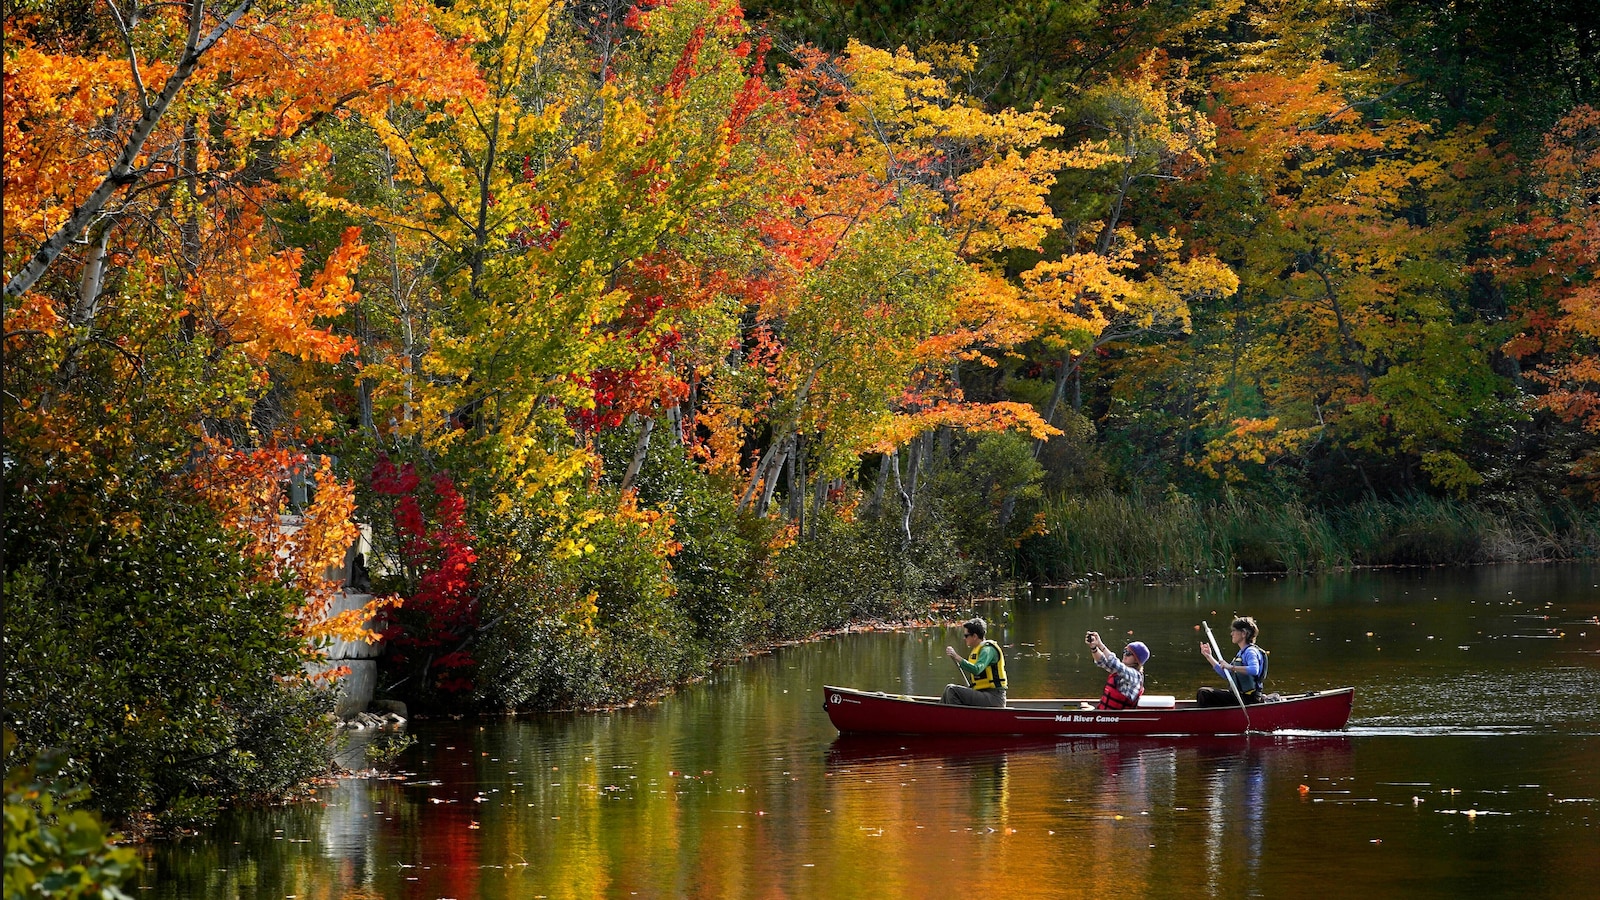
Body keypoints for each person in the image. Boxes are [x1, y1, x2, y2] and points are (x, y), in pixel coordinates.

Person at [1197, 615, 1268, 707]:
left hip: (1249, 698)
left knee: (1204, 693)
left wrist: (1231, 667)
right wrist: (1209, 657)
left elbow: (1254, 670)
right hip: (1238, 695)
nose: (1232, 634)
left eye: (1234, 631)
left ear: (1244, 633)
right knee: (1205, 693)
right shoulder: (1241, 653)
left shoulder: (1251, 651)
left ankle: (1205, 718)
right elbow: (1226, 674)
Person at [941, 618, 1007, 707]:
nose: (964, 638)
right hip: (982, 694)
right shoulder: (977, 650)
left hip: (994, 697)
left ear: (975, 636)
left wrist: (957, 657)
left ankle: (957, 718)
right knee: (948, 690)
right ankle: (940, 713)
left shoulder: (988, 650)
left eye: (966, 635)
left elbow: (977, 669)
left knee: (952, 690)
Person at [1085, 631, 1148, 709]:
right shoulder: (1121, 672)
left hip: (1114, 717)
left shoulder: (1135, 675)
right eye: (1125, 651)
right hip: (1105, 715)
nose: (1125, 654)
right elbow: (1102, 661)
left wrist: (1100, 644)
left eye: (1128, 653)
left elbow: (1115, 663)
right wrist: (1093, 647)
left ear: (1136, 660)